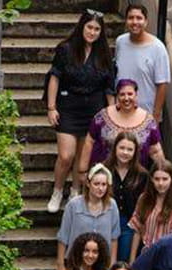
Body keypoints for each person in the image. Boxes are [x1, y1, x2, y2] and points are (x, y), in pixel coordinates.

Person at [44, 8, 115, 213]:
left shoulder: (105, 55)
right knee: (66, 155)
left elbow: (109, 88)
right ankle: (57, 191)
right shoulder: (66, 49)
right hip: (68, 106)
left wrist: (111, 116)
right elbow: (54, 77)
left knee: (83, 157)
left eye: (96, 29)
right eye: (89, 27)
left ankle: (75, 191)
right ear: (82, 27)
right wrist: (51, 107)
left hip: (93, 109)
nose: (92, 32)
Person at [77, 79, 163, 174]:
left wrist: (162, 172)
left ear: (136, 95)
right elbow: (89, 142)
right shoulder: (102, 117)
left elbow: (155, 151)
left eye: (130, 94)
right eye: (122, 94)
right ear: (117, 97)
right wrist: (82, 170)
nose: (126, 98)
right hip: (104, 176)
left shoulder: (148, 120)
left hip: (136, 177)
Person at [55, 163, 120, 270]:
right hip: (76, 261)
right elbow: (63, 236)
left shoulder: (112, 205)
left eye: (104, 184)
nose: (100, 188)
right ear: (88, 184)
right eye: (96, 184)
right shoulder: (73, 205)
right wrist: (60, 264)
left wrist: (112, 263)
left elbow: (114, 237)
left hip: (101, 262)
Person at [114, 3, 170, 122]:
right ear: (126, 21)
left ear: (146, 22)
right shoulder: (120, 42)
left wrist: (156, 115)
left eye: (139, 18)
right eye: (131, 18)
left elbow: (162, 84)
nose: (135, 22)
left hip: (146, 115)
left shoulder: (157, 48)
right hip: (121, 113)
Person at [103, 131, 148, 266]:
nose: (125, 152)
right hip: (105, 221)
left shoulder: (142, 174)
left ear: (135, 152)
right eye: (122, 148)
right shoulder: (104, 169)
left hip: (128, 224)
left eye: (129, 149)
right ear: (115, 148)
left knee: (122, 260)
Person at [127, 160, 172, 262]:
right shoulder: (144, 199)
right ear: (151, 179)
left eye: (165, 179)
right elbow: (137, 230)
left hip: (167, 257)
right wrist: (132, 260)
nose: (160, 183)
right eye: (157, 179)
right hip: (146, 254)